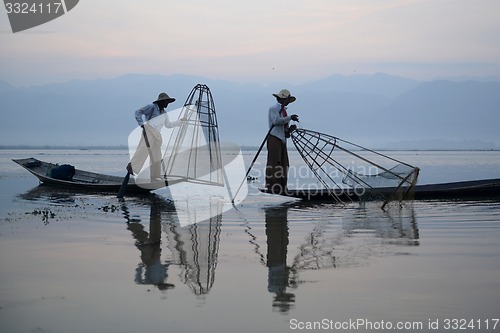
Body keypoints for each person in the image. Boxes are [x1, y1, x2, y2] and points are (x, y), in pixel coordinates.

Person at [127, 92, 185, 181]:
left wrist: (179, 122)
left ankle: (155, 176)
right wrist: (141, 124)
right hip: (149, 130)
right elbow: (138, 112)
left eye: (168, 102)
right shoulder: (152, 107)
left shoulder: (164, 113)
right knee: (143, 150)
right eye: (166, 102)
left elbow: (168, 125)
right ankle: (132, 167)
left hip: (157, 134)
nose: (167, 104)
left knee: (157, 155)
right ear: (161, 101)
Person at [265, 89, 299, 194]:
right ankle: (273, 186)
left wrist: (290, 130)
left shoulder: (284, 110)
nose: (288, 102)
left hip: (282, 139)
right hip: (274, 138)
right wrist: (290, 118)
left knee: (284, 163)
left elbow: (284, 130)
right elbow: (275, 121)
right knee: (274, 163)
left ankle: (283, 186)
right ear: (283, 99)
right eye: (287, 100)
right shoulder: (274, 108)